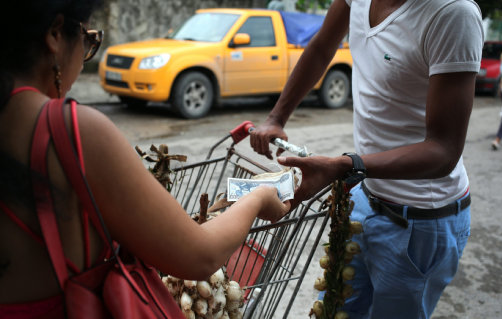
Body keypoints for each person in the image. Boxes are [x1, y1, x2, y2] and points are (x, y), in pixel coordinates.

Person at [0, 0, 289, 316]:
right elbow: (200, 256)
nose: (83, 59)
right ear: (55, 33)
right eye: (87, 39)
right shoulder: (69, 132)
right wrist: (259, 197)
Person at [250, 0, 483, 318]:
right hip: (365, 198)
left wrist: (346, 166)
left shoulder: (452, 14)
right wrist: (277, 117)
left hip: (420, 221)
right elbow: (321, 47)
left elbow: (443, 150)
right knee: (333, 307)